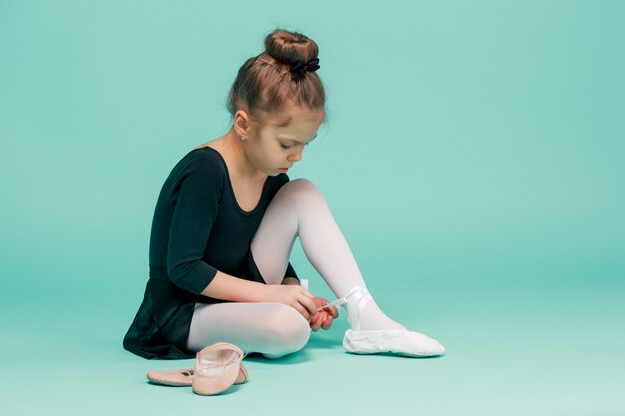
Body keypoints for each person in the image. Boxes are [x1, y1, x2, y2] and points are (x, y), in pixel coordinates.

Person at [123, 28, 445, 361]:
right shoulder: (205, 170)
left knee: (302, 192)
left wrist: (292, 290)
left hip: (240, 294)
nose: (297, 156)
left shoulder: (270, 171)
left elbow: (251, 245)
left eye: (306, 144)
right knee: (289, 329)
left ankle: (364, 313)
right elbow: (184, 269)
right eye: (287, 144)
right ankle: (261, 323)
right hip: (185, 312)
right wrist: (272, 296)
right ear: (244, 125)